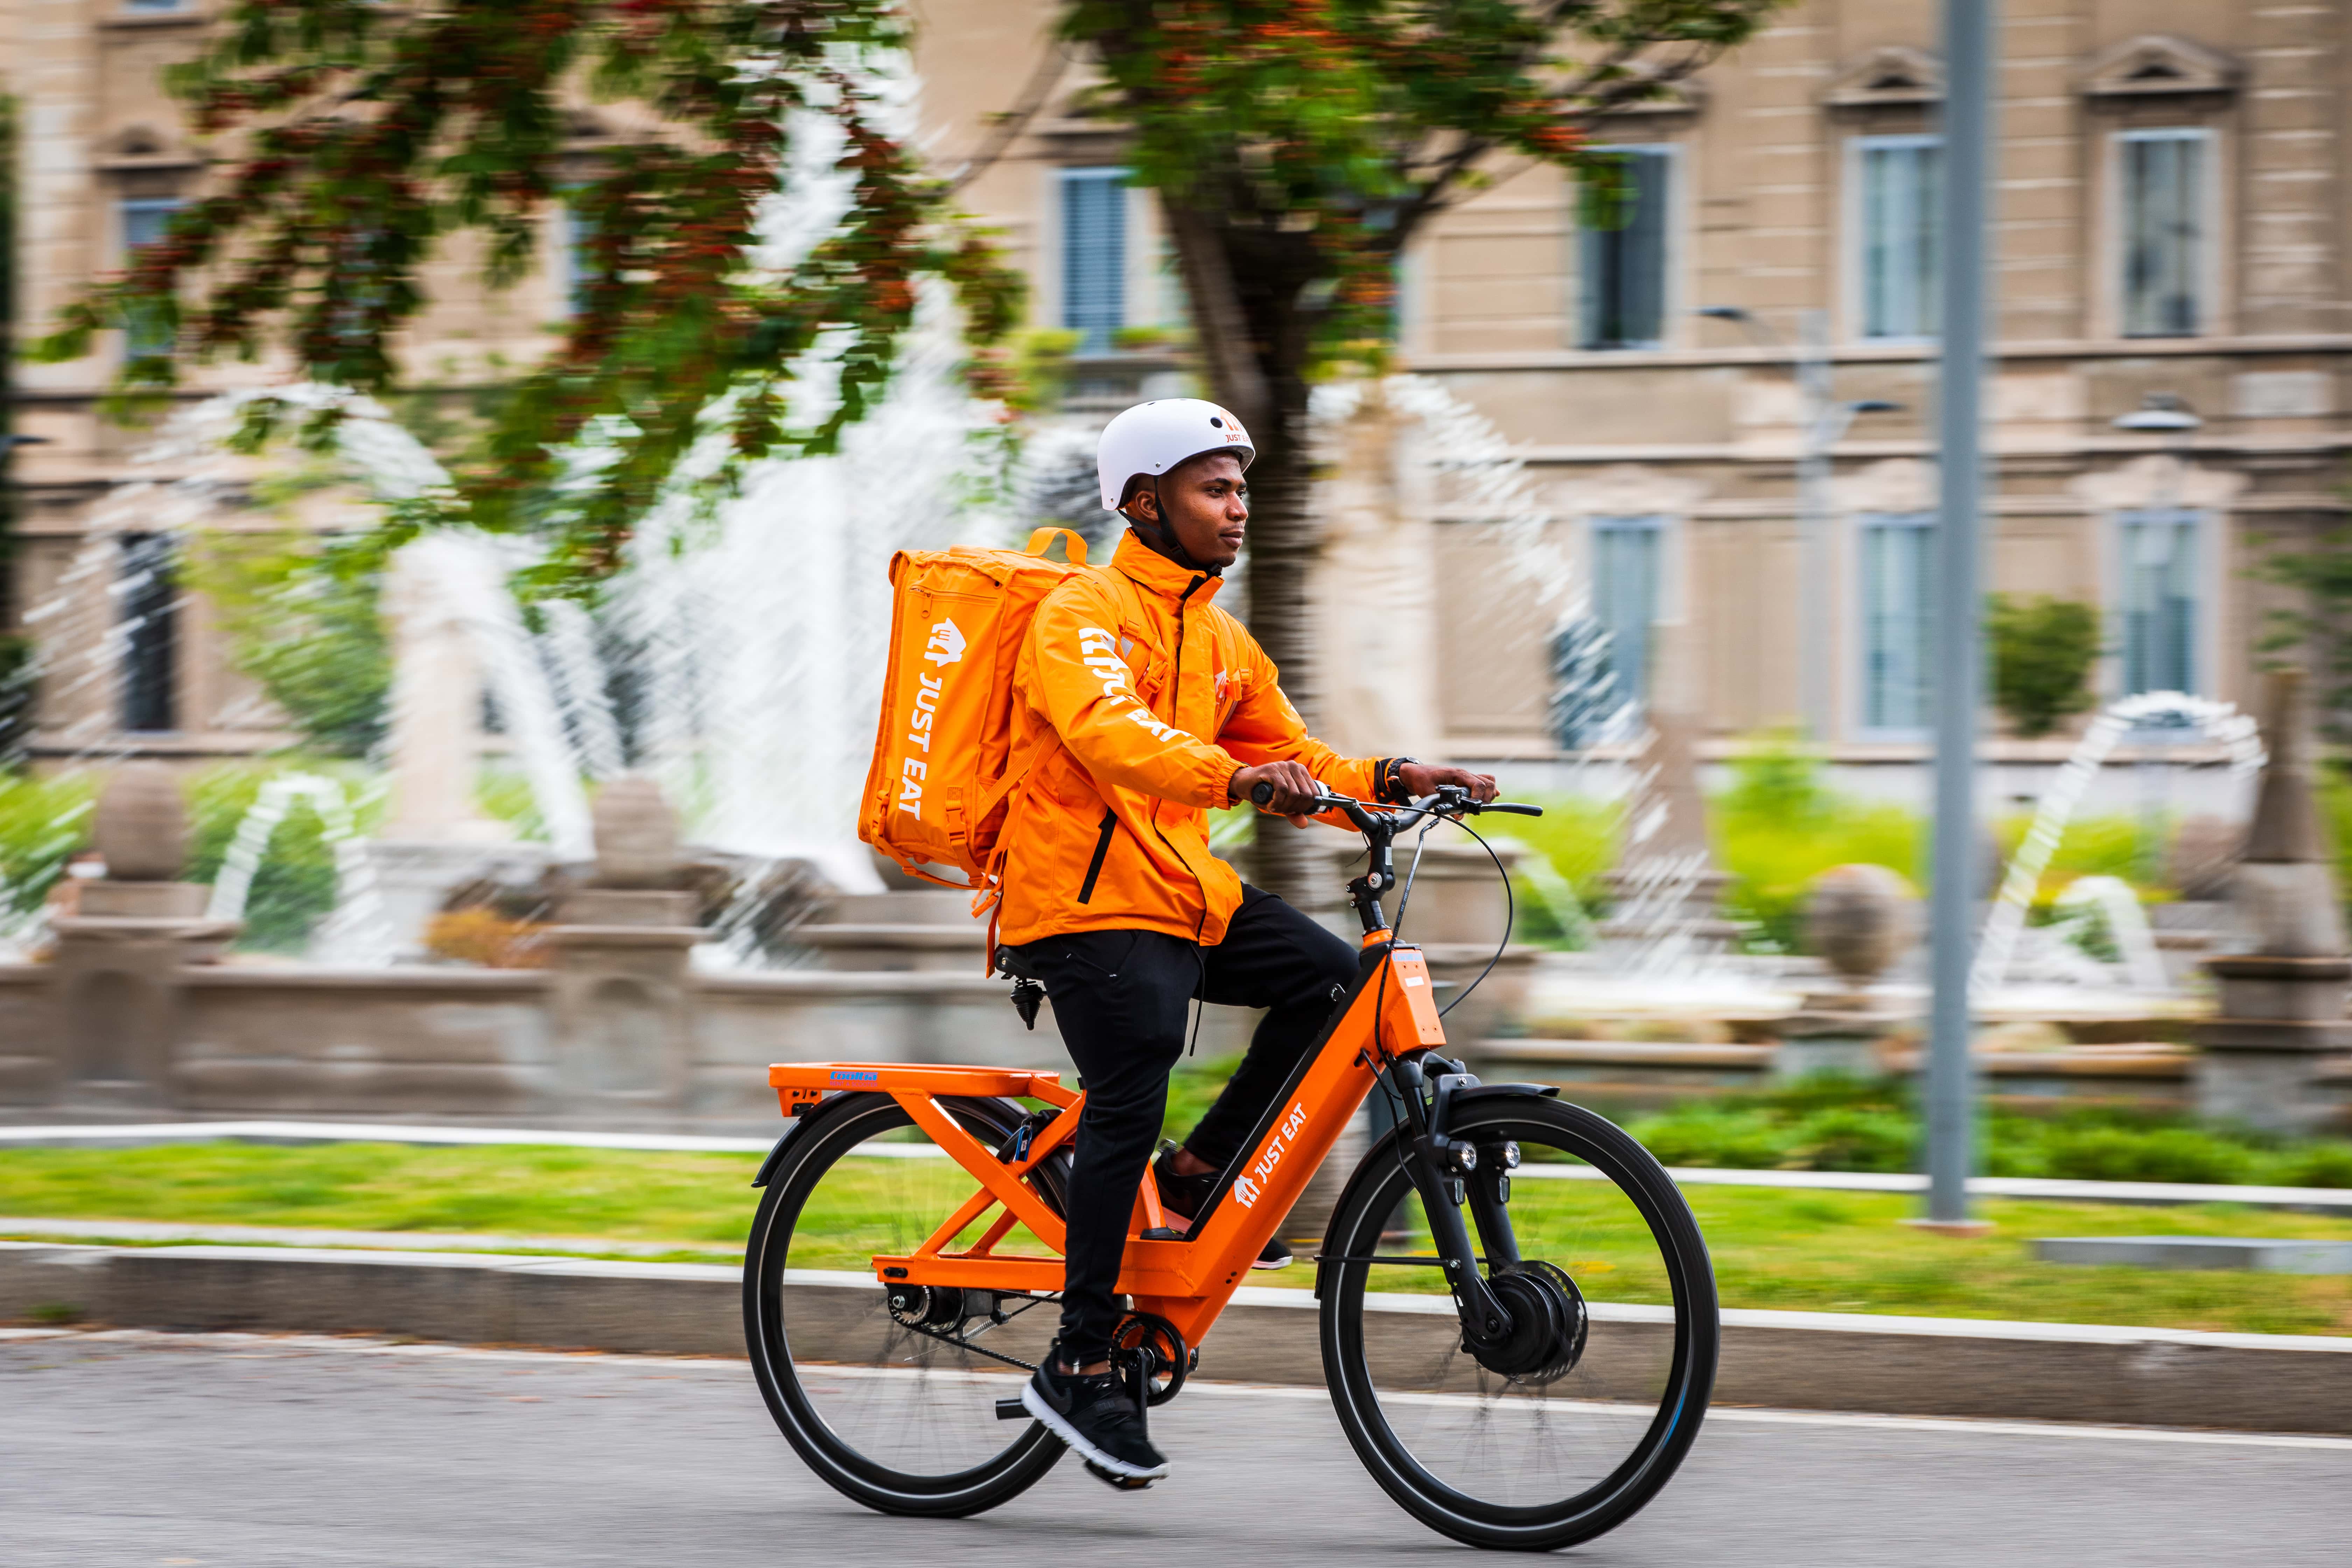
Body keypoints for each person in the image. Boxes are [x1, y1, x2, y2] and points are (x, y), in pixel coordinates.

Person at [1001, 398, 1497, 1484]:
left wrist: (1398, 777)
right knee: (1130, 1076)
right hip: (1081, 903)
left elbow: (1295, 753)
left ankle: (1195, 1179)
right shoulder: (1082, 612)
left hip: (1180, 891)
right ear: (1144, 503)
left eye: (1241, 489)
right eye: (1213, 489)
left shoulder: (1217, 633)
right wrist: (1232, 777)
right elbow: (1108, 732)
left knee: (1332, 987)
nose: (1238, 509)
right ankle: (1081, 1363)